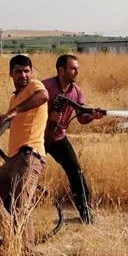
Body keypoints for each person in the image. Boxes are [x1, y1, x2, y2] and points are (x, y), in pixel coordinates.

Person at [0, 54, 49, 256]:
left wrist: (15, 110)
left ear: (32, 72)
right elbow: (4, 121)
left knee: (20, 208)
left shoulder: (35, 88)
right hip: (13, 159)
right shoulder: (15, 98)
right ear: (10, 73)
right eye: (18, 71)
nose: (23, 75)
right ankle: (12, 240)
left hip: (30, 155)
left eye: (27, 71)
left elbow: (43, 96)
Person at [42, 54, 104, 224]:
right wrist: (50, 117)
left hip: (58, 139)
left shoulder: (76, 92)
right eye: (73, 68)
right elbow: (30, 115)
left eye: (77, 68)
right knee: (23, 174)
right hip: (38, 138)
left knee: (76, 173)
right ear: (61, 70)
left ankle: (85, 212)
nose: (77, 72)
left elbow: (82, 118)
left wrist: (92, 116)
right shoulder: (44, 87)